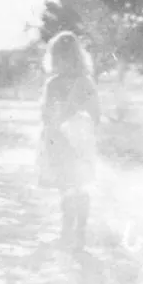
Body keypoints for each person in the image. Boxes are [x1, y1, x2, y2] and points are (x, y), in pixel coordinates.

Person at [38, 31, 100, 251]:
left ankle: (76, 232)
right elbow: (96, 115)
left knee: (75, 187)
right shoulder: (81, 82)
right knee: (71, 187)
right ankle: (71, 231)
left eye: (66, 57)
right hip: (72, 143)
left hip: (68, 142)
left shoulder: (58, 83)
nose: (62, 62)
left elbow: (46, 115)